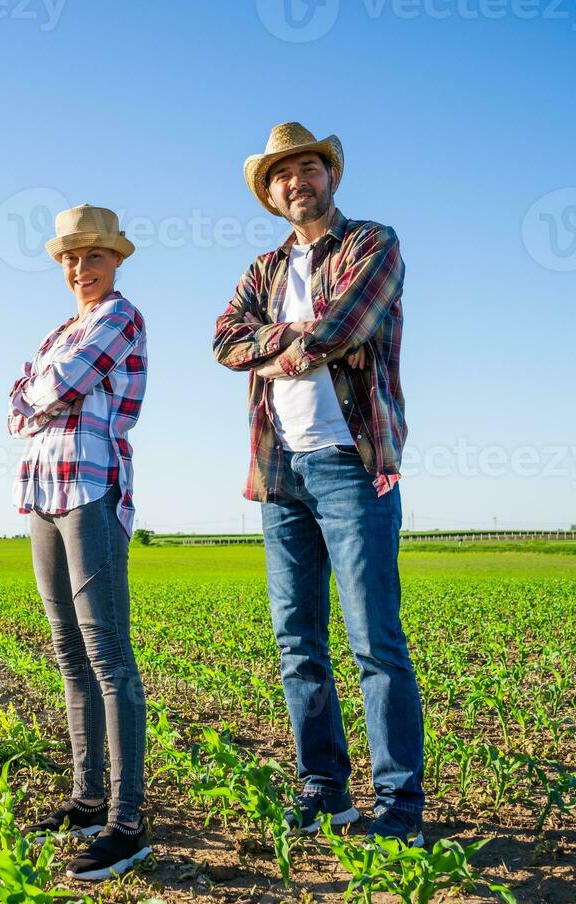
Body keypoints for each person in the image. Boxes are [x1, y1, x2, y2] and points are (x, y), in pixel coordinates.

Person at [213, 123, 427, 846]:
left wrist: (274, 348)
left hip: (351, 462)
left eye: (307, 167)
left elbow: (343, 328)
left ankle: (399, 807)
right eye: (281, 175)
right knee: (298, 641)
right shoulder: (263, 269)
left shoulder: (374, 243)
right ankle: (324, 790)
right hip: (280, 472)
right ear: (270, 195)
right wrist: (284, 347)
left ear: (330, 176)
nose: (295, 181)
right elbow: (224, 341)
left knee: (374, 640)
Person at [8, 204, 152, 880]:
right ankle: (88, 800)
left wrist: (40, 392)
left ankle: (127, 823)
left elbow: (54, 385)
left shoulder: (120, 317)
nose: (80, 268)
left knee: (107, 657)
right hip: (42, 492)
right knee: (68, 652)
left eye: (92, 256)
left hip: (92, 490)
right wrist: (40, 394)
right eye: (70, 258)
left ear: (115, 260)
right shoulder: (60, 328)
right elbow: (17, 402)